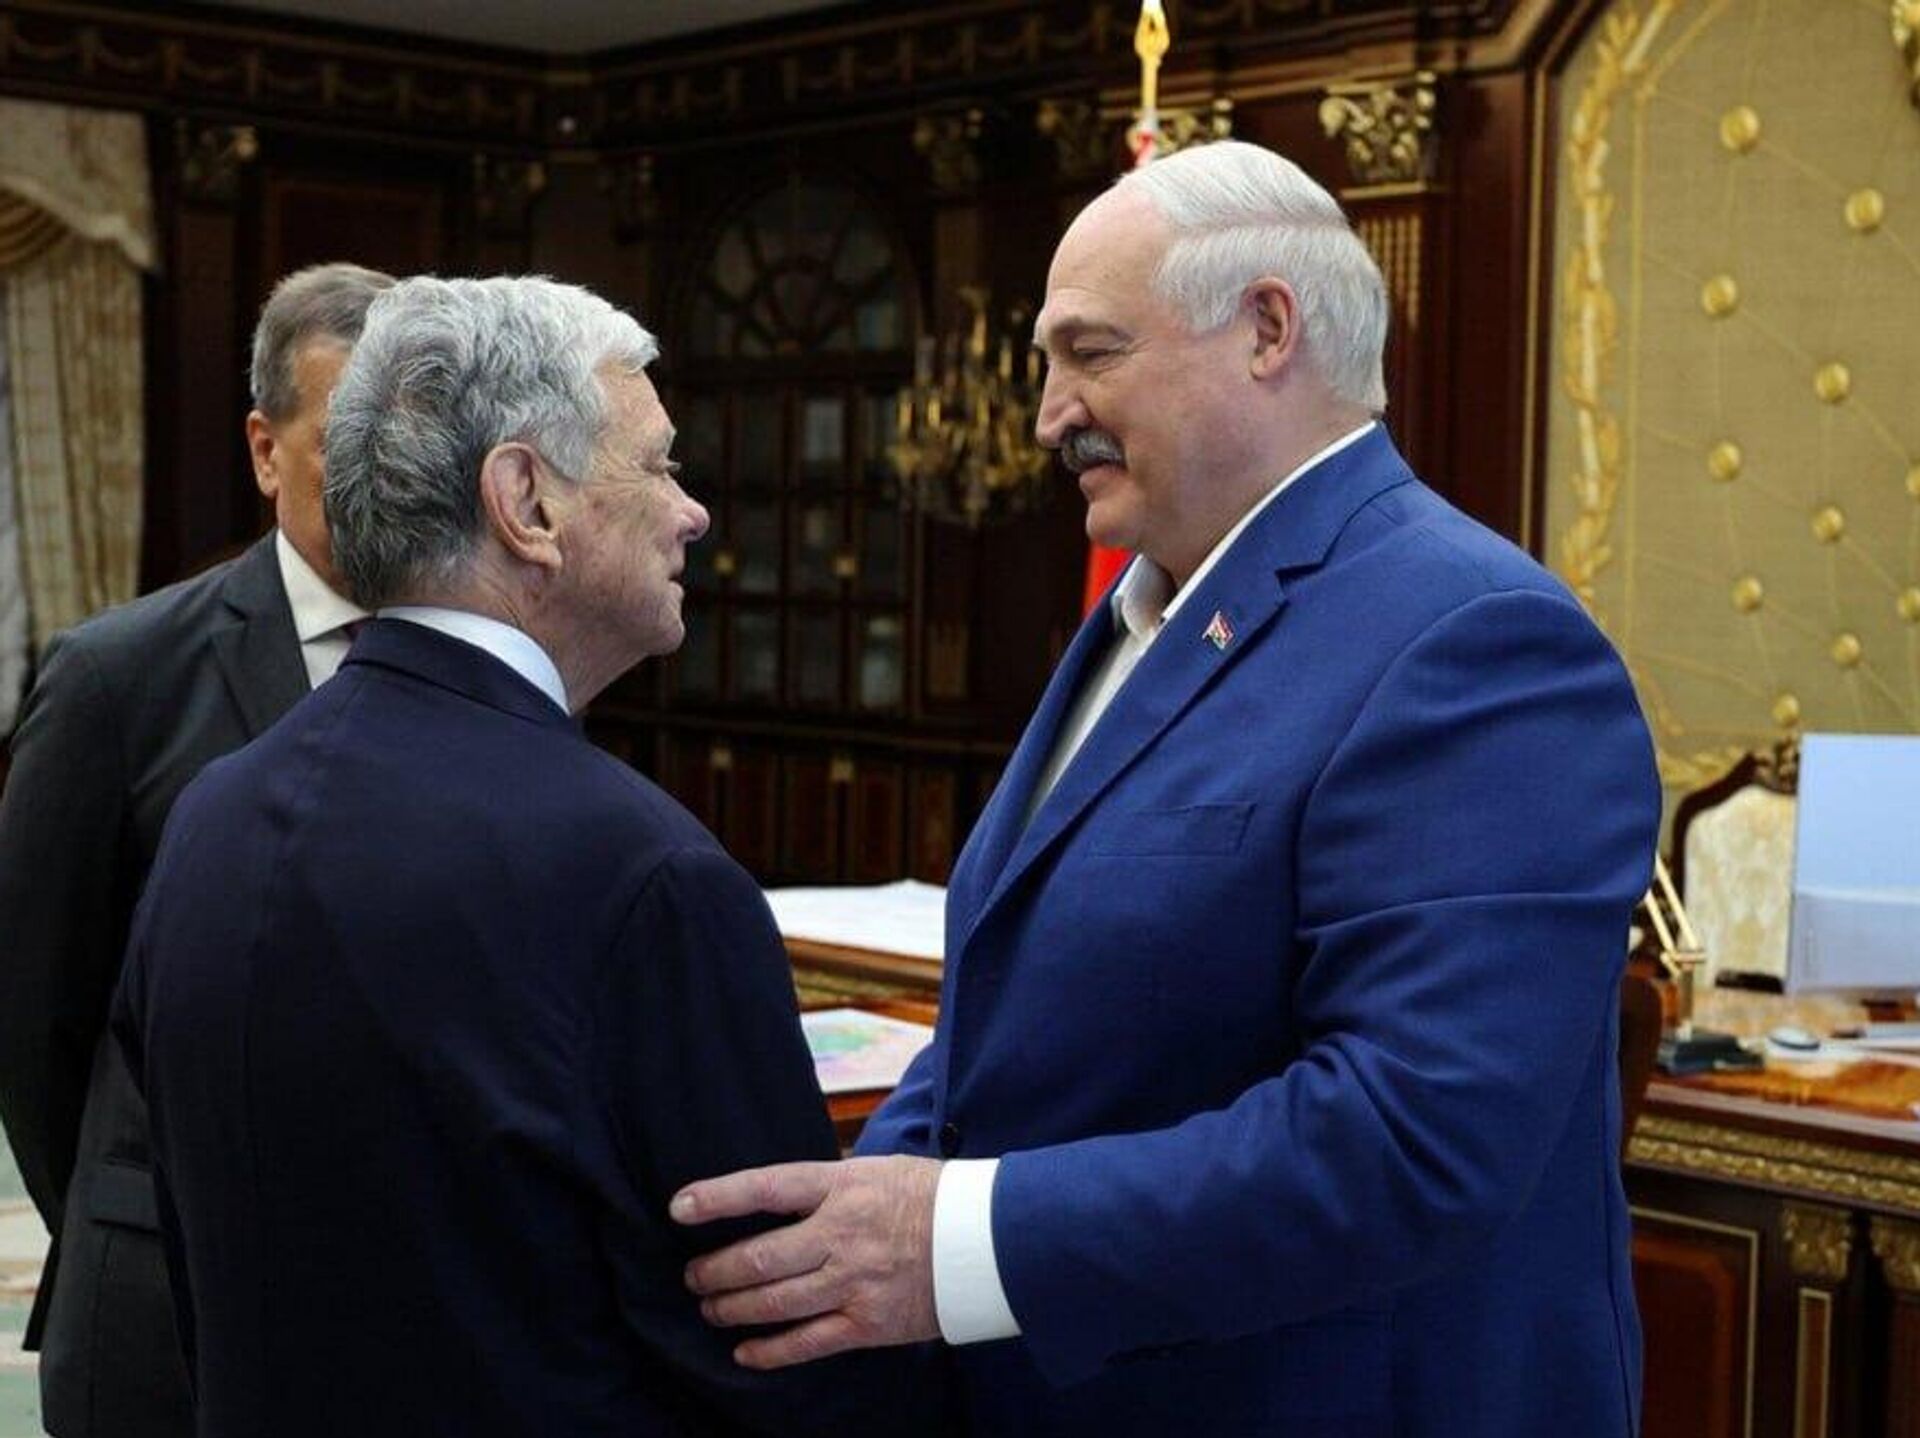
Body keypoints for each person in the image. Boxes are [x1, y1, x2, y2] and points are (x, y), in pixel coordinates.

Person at [671, 140, 1662, 1437]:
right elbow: (1000, 1029)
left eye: (1090, 353)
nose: (1048, 416)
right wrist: (855, 1224)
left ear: (1267, 330)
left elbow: (1414, 1139)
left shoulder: (1477, 640)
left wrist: (953, 1239)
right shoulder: (1149, 610)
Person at [112, 276, 925, 1437]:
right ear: (526, 502)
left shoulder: (212, 814)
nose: (693, 511)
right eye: (658, 465)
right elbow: (778, 1358)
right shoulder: (648, 876)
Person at [0, 262, 393, 1438]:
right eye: (348, 448)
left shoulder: (493, 667)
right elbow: (36, 1012)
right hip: (165, 1299)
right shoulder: (118, 677)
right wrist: (121, 1212)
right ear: (267, 451)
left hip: (399, 1291)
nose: (388, 483)